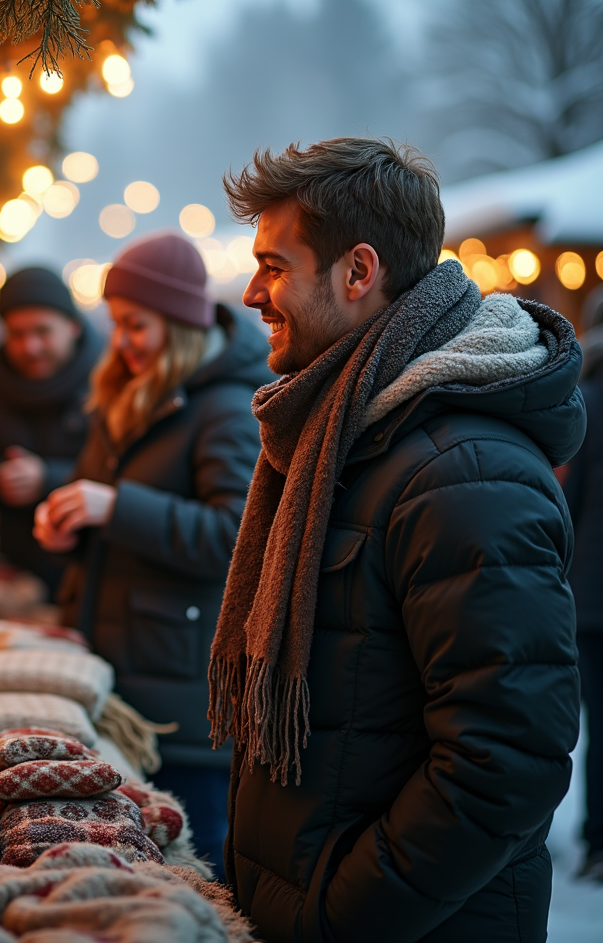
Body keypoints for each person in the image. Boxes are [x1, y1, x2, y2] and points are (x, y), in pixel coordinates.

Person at [210, 138, 584, 942]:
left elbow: (508, 762)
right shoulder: (345, 435)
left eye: (274, 266)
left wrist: (342, 914)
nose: (250, 293)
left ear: (359, 271)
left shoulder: (463, 472)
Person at [34, 232, 274, 873]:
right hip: (123, 666)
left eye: (136, 325)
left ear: (179, 323)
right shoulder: (129, 391)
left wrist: (114, 507)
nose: (122, 341)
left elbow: (235, 537)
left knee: (194, 860)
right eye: (116, 325)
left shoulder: (225, 409)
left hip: (181, 694)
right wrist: (72, 525)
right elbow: (107, 508)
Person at [0, 267, 101, 593]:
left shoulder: (107, 388)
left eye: (42, 331)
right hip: (14, 567)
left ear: (73, 326)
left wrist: (47, 478)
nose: (30, 347)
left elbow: (127, 476)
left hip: (92, 567)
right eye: (17, 334)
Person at [563, 285, 603, 884]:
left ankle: (598, 840)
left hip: (592, 598)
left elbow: (566, 505)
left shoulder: (587, 405)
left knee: (599, 724)